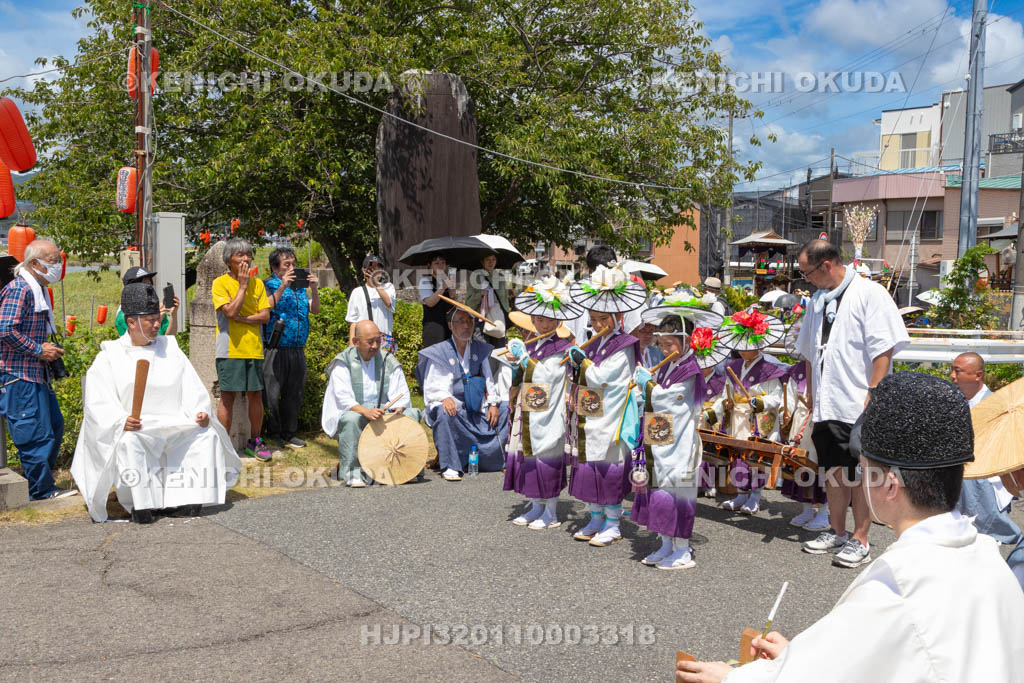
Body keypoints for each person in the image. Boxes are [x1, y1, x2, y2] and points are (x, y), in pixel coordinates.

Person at [677, 372, 1024, 683]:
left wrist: (733, 679)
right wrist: (796, 659)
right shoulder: (989, 558)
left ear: (889, 485)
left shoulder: (897, 586)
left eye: (863, 470)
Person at [71, 283, 241, 523]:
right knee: (130, 442)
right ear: (131, 322)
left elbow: (191, 387)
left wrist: (200, 412)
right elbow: (98, 402)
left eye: (157, 319)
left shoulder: (169, 348)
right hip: (138, 426)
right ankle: (143, 506)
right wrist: (121, 421)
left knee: (205, 436)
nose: (156, 325)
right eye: (149, 320)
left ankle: (186, 500)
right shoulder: (110, 355)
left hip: (175, 423)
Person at [796, 239, 908, 569]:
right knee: (833, 470)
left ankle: (860, 538)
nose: (807, 279)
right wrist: (812, 390)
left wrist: (874, 393)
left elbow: (883, 350)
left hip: (857, 399)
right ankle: (837, 530)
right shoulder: (817, 300)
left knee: (861, 473)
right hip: (827, 401)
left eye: (808, 272)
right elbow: (808, 350)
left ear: (826, 265)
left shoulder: (868, 293)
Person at [565, 264, 645, 547]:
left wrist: (583, 363)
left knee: (608, 467)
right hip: (591, 413)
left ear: (618, 317)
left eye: (603, 319)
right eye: (593, 319)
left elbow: (602, 378)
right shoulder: (595, 342)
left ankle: (613, 523)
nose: (597, 324)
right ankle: (595, 516)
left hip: (610, 417)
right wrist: (579, 365)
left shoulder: (624, 344)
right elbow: (587, 377)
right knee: (589, 466)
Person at [630, 311, 713, 569]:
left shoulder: (690, 369)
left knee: (679, 490)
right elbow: (658, 397)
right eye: (662, 344)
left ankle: (682, 549)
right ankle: (665, 542)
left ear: (686, 342)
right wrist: (643, 391)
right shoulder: (668, 365)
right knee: (659, 490)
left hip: (682, 442)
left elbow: (672, 401)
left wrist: (650, 387)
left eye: (670, 344)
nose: (665, 349)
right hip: (661, 436)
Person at [0, 239, 76, 500]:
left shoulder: (39, 289)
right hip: (18, 374)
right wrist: (38, 349)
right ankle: (40, 491)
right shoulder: (20, 289)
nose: (58, 266)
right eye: (54, 261)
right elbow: (5, 329)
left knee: (53, 426)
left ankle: (44, 485)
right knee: (33, 433)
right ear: (34, 263)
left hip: (36, 374)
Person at [503, 278, 580, 530]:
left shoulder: (562, 347)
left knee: (548, 455)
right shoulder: (534, 344)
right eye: (537, 319)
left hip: (550, 409)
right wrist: (519, 362)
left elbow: (551, 376)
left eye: (547, 320)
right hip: (532, 407)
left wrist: (527, 362)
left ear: (558, 321)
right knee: (530, 454)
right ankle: (536, 503)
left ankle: (551, 509)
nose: (542, 324)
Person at [706, 310, 788, 515]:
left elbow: (776, 397)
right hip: (737, 417)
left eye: (748, 346)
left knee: (755, 458)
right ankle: (741, 493)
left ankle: (755, 496)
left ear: (759, 345)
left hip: (756, 419)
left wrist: (760, 401)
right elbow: (727, 394)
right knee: (737, 457)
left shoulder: (769, 369)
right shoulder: (734, 366)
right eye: (740, 347)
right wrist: (719, 408)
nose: (743, 351)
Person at [321, 320, 418, 487]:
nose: (375, 346)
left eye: (378, 341)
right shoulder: (343, 362)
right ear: (356, 342)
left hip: (384, 412)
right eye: (370, 342)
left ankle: (405, 469)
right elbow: (343, 398)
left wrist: (397, 408)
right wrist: (366, 412)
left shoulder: (388, 359)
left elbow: (401, 393)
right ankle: (354, 473)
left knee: (411, 414)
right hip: (356, 412)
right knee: (351, 419)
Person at [416, 308, 508, 481]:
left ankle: (496, 460)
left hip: (476, 404)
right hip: (454, 406)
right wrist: (445, 397)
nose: (466, 326)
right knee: (444, 412)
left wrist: (493, 404)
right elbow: (433, 384)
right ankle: (451, 465)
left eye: (470, 322)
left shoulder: (480, 349)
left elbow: (488, 379)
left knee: (505, 409)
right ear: (450, 325)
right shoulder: (440, 351)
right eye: (461, 321)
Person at [950, 352, 1021, 545]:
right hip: (958, 478)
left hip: (987, 479)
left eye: (958, 371)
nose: (952, 376)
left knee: (984, 544)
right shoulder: (953, 402)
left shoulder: (996, 406)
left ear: (977, 375)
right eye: (952, 370)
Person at [212, 237, 272, 461]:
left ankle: (255, 441)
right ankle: (222, 445)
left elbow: (265, 316)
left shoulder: (259, 284)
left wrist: (244, 318)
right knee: (227, 396)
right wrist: (243, 286)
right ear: (229, 261)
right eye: (240, 255)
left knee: (255, 395)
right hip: (230, 349)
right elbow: (229, 312)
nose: (245, 258)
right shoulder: (220, 283)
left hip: (254, 348)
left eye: (248, 254)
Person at [262, 248, 320, 450]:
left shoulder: (300, 289)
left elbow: (315, 310)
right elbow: (266, 306)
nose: (292, 268)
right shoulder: (267, 285)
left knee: (294, 392)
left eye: (294, 264)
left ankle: (289, 432)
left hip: (297, 347)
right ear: (275, 267)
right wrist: (283, 287)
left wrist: (313, 289)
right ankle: (273, 432)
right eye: (287, 264)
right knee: (272, 392)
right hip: (276, 347)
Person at [346, 254, 396, 352]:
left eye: (378, 267)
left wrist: (376, 284)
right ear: (364, 271)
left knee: (385, 366)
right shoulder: (357, 292)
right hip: (365, 341)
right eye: (371, 268)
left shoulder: (388, 287)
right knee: (365, 367)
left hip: (385, 340)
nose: (375, 270)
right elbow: (353, 321)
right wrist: (351, 346)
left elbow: (389, 303)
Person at [114, 266, 179, 336]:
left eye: (150, 285)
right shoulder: (124, 316)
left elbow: (169, 338)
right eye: (145, 286)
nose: (150, 290)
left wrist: (174, 314)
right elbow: (143, 343)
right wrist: (157, 320)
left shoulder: (155, 309)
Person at [465, 251, 510, 345]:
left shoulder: (500, 277)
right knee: (482, 351)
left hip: (498, 319)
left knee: (499, 350)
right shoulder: (475, 277)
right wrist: (479, 294)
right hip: (481, 320)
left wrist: (507, 317)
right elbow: (468, 302)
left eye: (493, 259)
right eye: (488, 260)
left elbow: (505, 301)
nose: (491, 262)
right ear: (482, 262)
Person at [418, 254, 455, 347]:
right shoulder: (425, 280)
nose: (441, 265)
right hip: (433, 326)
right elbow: (430, 302)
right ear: (429, 265)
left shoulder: (445, 279)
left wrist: (451, 285)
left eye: (443, 262)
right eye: (436, 263)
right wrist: (443, 287)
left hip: (448, 325)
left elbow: (452, 296)